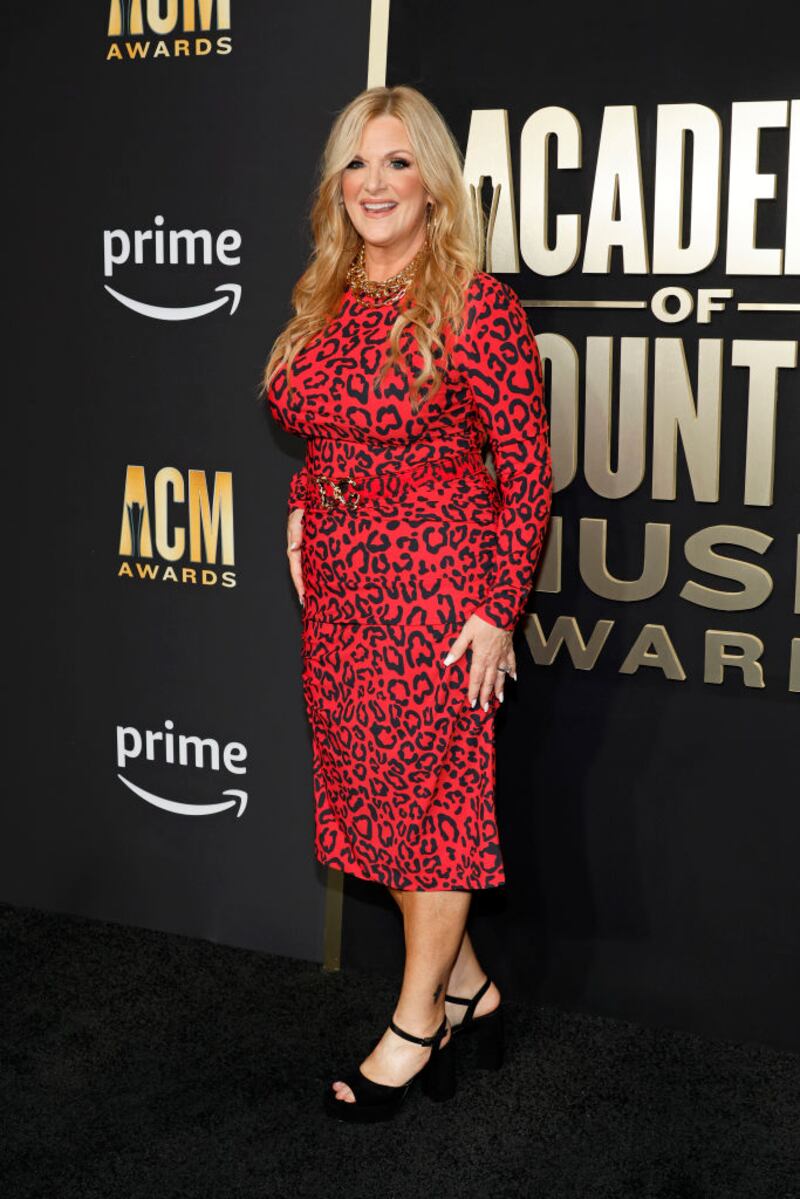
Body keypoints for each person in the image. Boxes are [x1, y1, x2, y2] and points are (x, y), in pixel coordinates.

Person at [262, 84, 552, 1123]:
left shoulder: (477, 304)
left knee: (430, 815)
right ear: (336, 186)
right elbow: (324, 430)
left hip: (437, 595)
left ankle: (416, 1023)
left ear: (432, 182)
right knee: (379, 814)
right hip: (340, 593)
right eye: (355, 164)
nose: (374, 184)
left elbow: (523, 475)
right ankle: (471, 987)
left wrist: (493, 608)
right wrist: (302, 503)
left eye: (395, 163)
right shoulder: (327, 297)